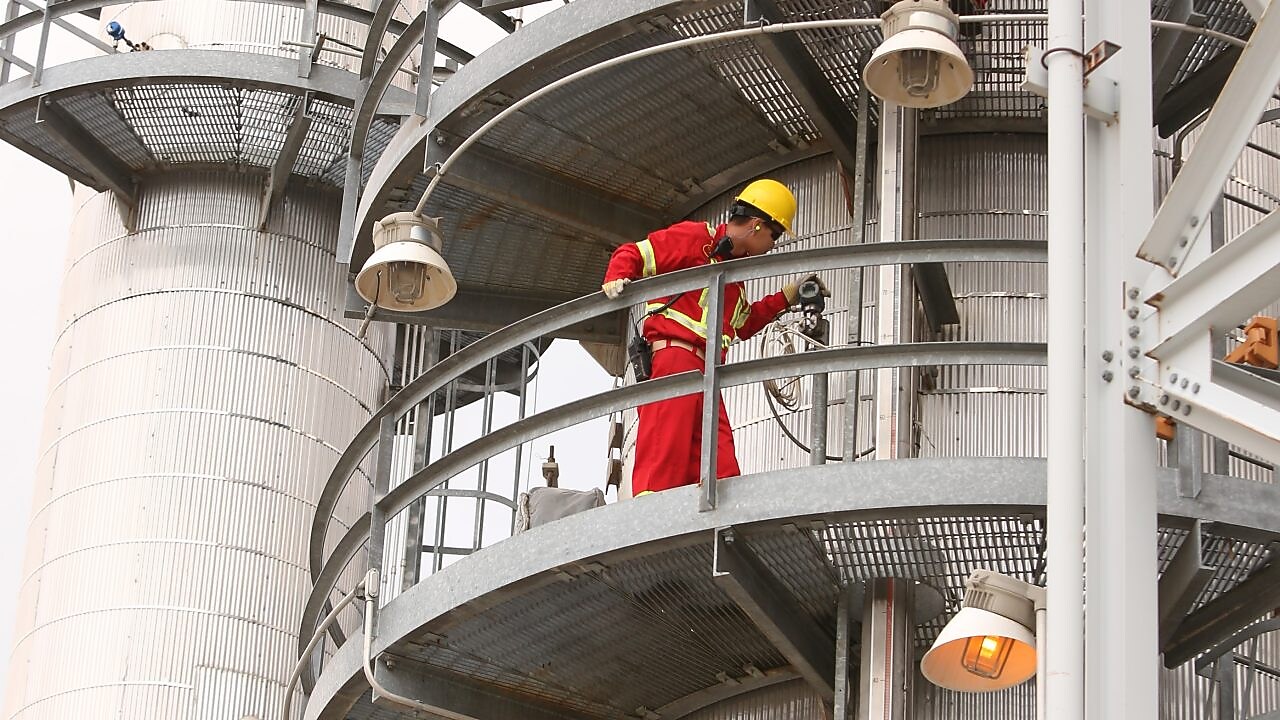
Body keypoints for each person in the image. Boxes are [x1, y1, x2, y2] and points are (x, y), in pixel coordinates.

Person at [601, 178, 827, 495]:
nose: (773, 245)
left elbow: (744, 324)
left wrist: (788, 295)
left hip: (708, 375)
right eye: (774, 235)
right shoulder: (696, 238)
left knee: (721, 468)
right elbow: (635, 253)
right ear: (758, 226)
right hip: (675, 360)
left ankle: (719, 530)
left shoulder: (733, 281)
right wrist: (617, 275)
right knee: (664, 459)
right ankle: (652, 526)